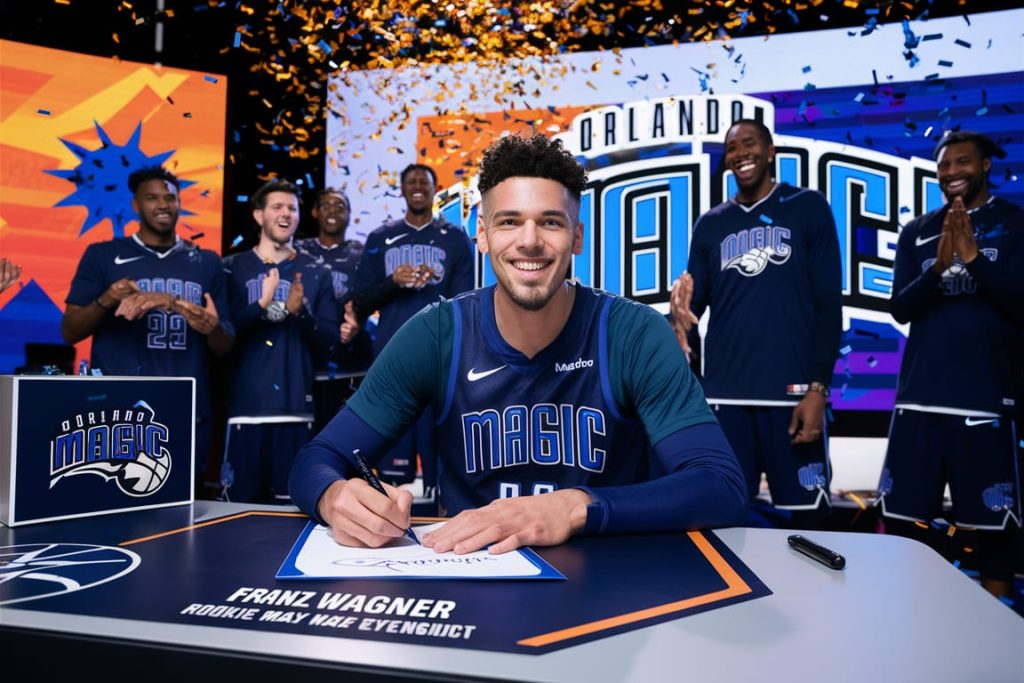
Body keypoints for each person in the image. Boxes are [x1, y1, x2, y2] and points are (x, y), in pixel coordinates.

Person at [290, 134, 746, 554]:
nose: (530, 242)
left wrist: (576, 507)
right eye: (509, 222)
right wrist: (335, 498)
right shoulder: (437, 335)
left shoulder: (632, 333)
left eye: (550, 222)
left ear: (578, 237)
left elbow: (720, 486)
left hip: (607, 588)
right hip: (473, 586)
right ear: (483, 236)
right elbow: (317, 459)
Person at [670, 119, 842, 528]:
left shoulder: (808, 207)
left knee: (810, 524)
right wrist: (676, 317)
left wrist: (818, 390)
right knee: (724, 523)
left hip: (793, 397)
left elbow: (829, 305)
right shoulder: (711, 223)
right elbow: (693, 311)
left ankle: (808, 597)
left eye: (749, 144)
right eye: (732, 148)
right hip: (726, 400)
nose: (740, 153)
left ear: (770, 152)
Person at [877, 131, 1023, 599]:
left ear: (985, 166)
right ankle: (915, 613)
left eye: (962, 162)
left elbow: (1018, 304)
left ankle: (999, 623)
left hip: (986, 399)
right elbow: (900, 308)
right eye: (943, 165)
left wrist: (974, 258)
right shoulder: (918, 230)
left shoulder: (1013, 223)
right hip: (919, 398)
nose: (952, 172)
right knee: (904, 521)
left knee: (994, 528)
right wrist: (937, 268)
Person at [62, 166, 233, 489]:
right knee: (112, 500)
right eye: (152, 197)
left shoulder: (207, 262)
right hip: (119, 408)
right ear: (136, 205)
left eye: (170, 197)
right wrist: (108, 298)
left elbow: (224, 346)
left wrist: (201, 320)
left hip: (186, 404)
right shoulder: (104, 255)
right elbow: (70, 332)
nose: (163, 205)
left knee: (181, 509)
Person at [351, 163, 474, 487]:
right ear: (402, 190)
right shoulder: (381, 237)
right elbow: (360, 301)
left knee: (444, 470)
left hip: (440, 364)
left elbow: (464, 304)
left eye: (425, 181)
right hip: (392, 364)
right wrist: (393, 281)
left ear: (435, 190)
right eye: (411, 182)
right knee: (394, 476)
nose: (418, 186)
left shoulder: (455, 238)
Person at [220, 179, 338, 503]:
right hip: (246, 413)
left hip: (297, 413)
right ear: (258, 215)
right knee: (237, 518)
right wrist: (260, 305)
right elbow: (222, 337)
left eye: (292, 208)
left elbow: (330, 342)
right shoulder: (232, 268)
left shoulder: (316, 271)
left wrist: (301, 314)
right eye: (277, 207)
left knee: (291, 518)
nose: (285, 214)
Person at [294, 188, 372, 431]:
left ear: (349, 215)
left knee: (350, 446)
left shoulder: (362, 254)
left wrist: (359, 321)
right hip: (307, 367)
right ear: (315, 212)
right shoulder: (298, 251)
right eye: (326, 205)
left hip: (351, 366)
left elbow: (373, 298)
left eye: (340, 207)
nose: (333, 211)